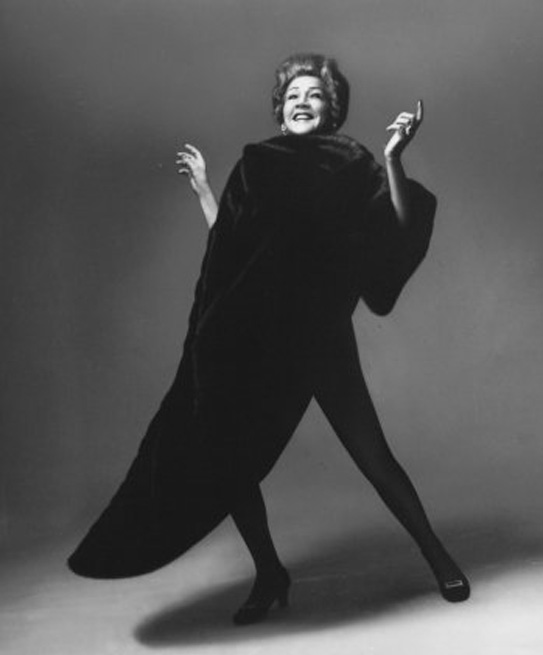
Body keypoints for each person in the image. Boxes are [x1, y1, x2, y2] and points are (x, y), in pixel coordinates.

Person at [68, 54, 469, 625]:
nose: (302, 102)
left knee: (373, 455)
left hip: (321, 337)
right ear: (280, 112)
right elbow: (232, 250)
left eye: (315, 95)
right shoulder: (255, 164)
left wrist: (392, 158)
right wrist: (205, 191)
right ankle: (269, 573)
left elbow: (400, 228)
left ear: (332, 110)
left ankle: (437, 555)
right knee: (232, 461)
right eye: (293, 96)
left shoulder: (352, 162)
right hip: (257, 342)